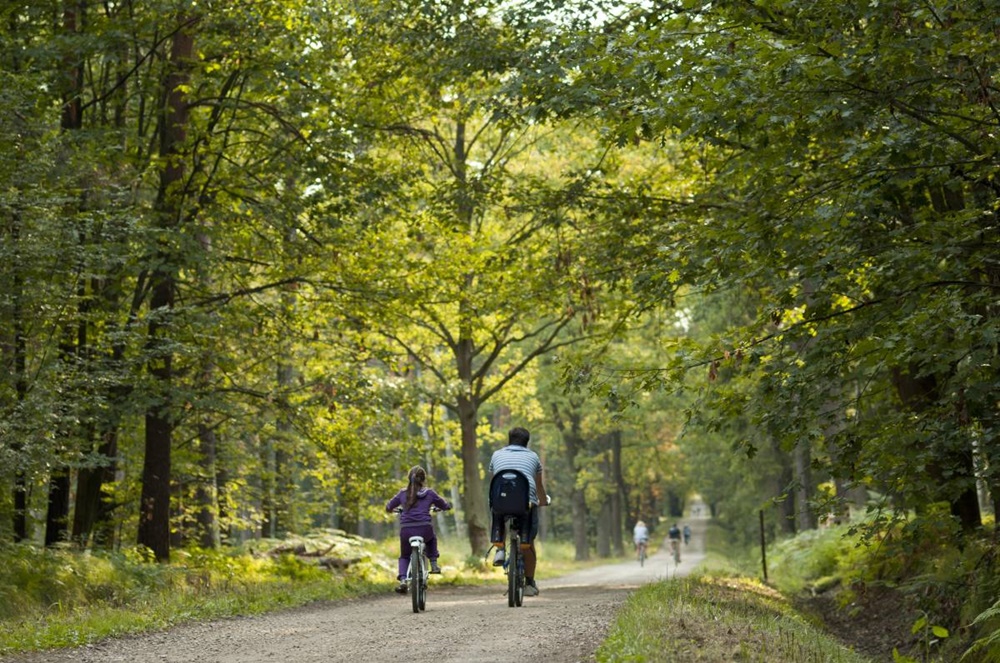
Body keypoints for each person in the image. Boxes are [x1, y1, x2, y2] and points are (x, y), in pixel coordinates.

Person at [488, 426, 549, 597]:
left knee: (497, 507)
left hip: (500, 502)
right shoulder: (533, 457)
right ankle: (529, 583)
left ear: (509, 439)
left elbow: (494, 482)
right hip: (525, 503)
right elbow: (538, 486)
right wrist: (543, 501)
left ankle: (499, 546)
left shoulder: (496, 455)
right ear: (526, 442)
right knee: (529, 542)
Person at [385, 466, 452, 594]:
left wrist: (391, 509)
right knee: (431, 539)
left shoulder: (402, 493)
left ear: (409, 479)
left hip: (406, 530)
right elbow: (443, 504)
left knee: (405, 556)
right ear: (423, 479)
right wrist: (446, 506)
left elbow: (389, 506)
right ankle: (433, 564)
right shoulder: (430, 493)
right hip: (424, 529)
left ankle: (403, 580)